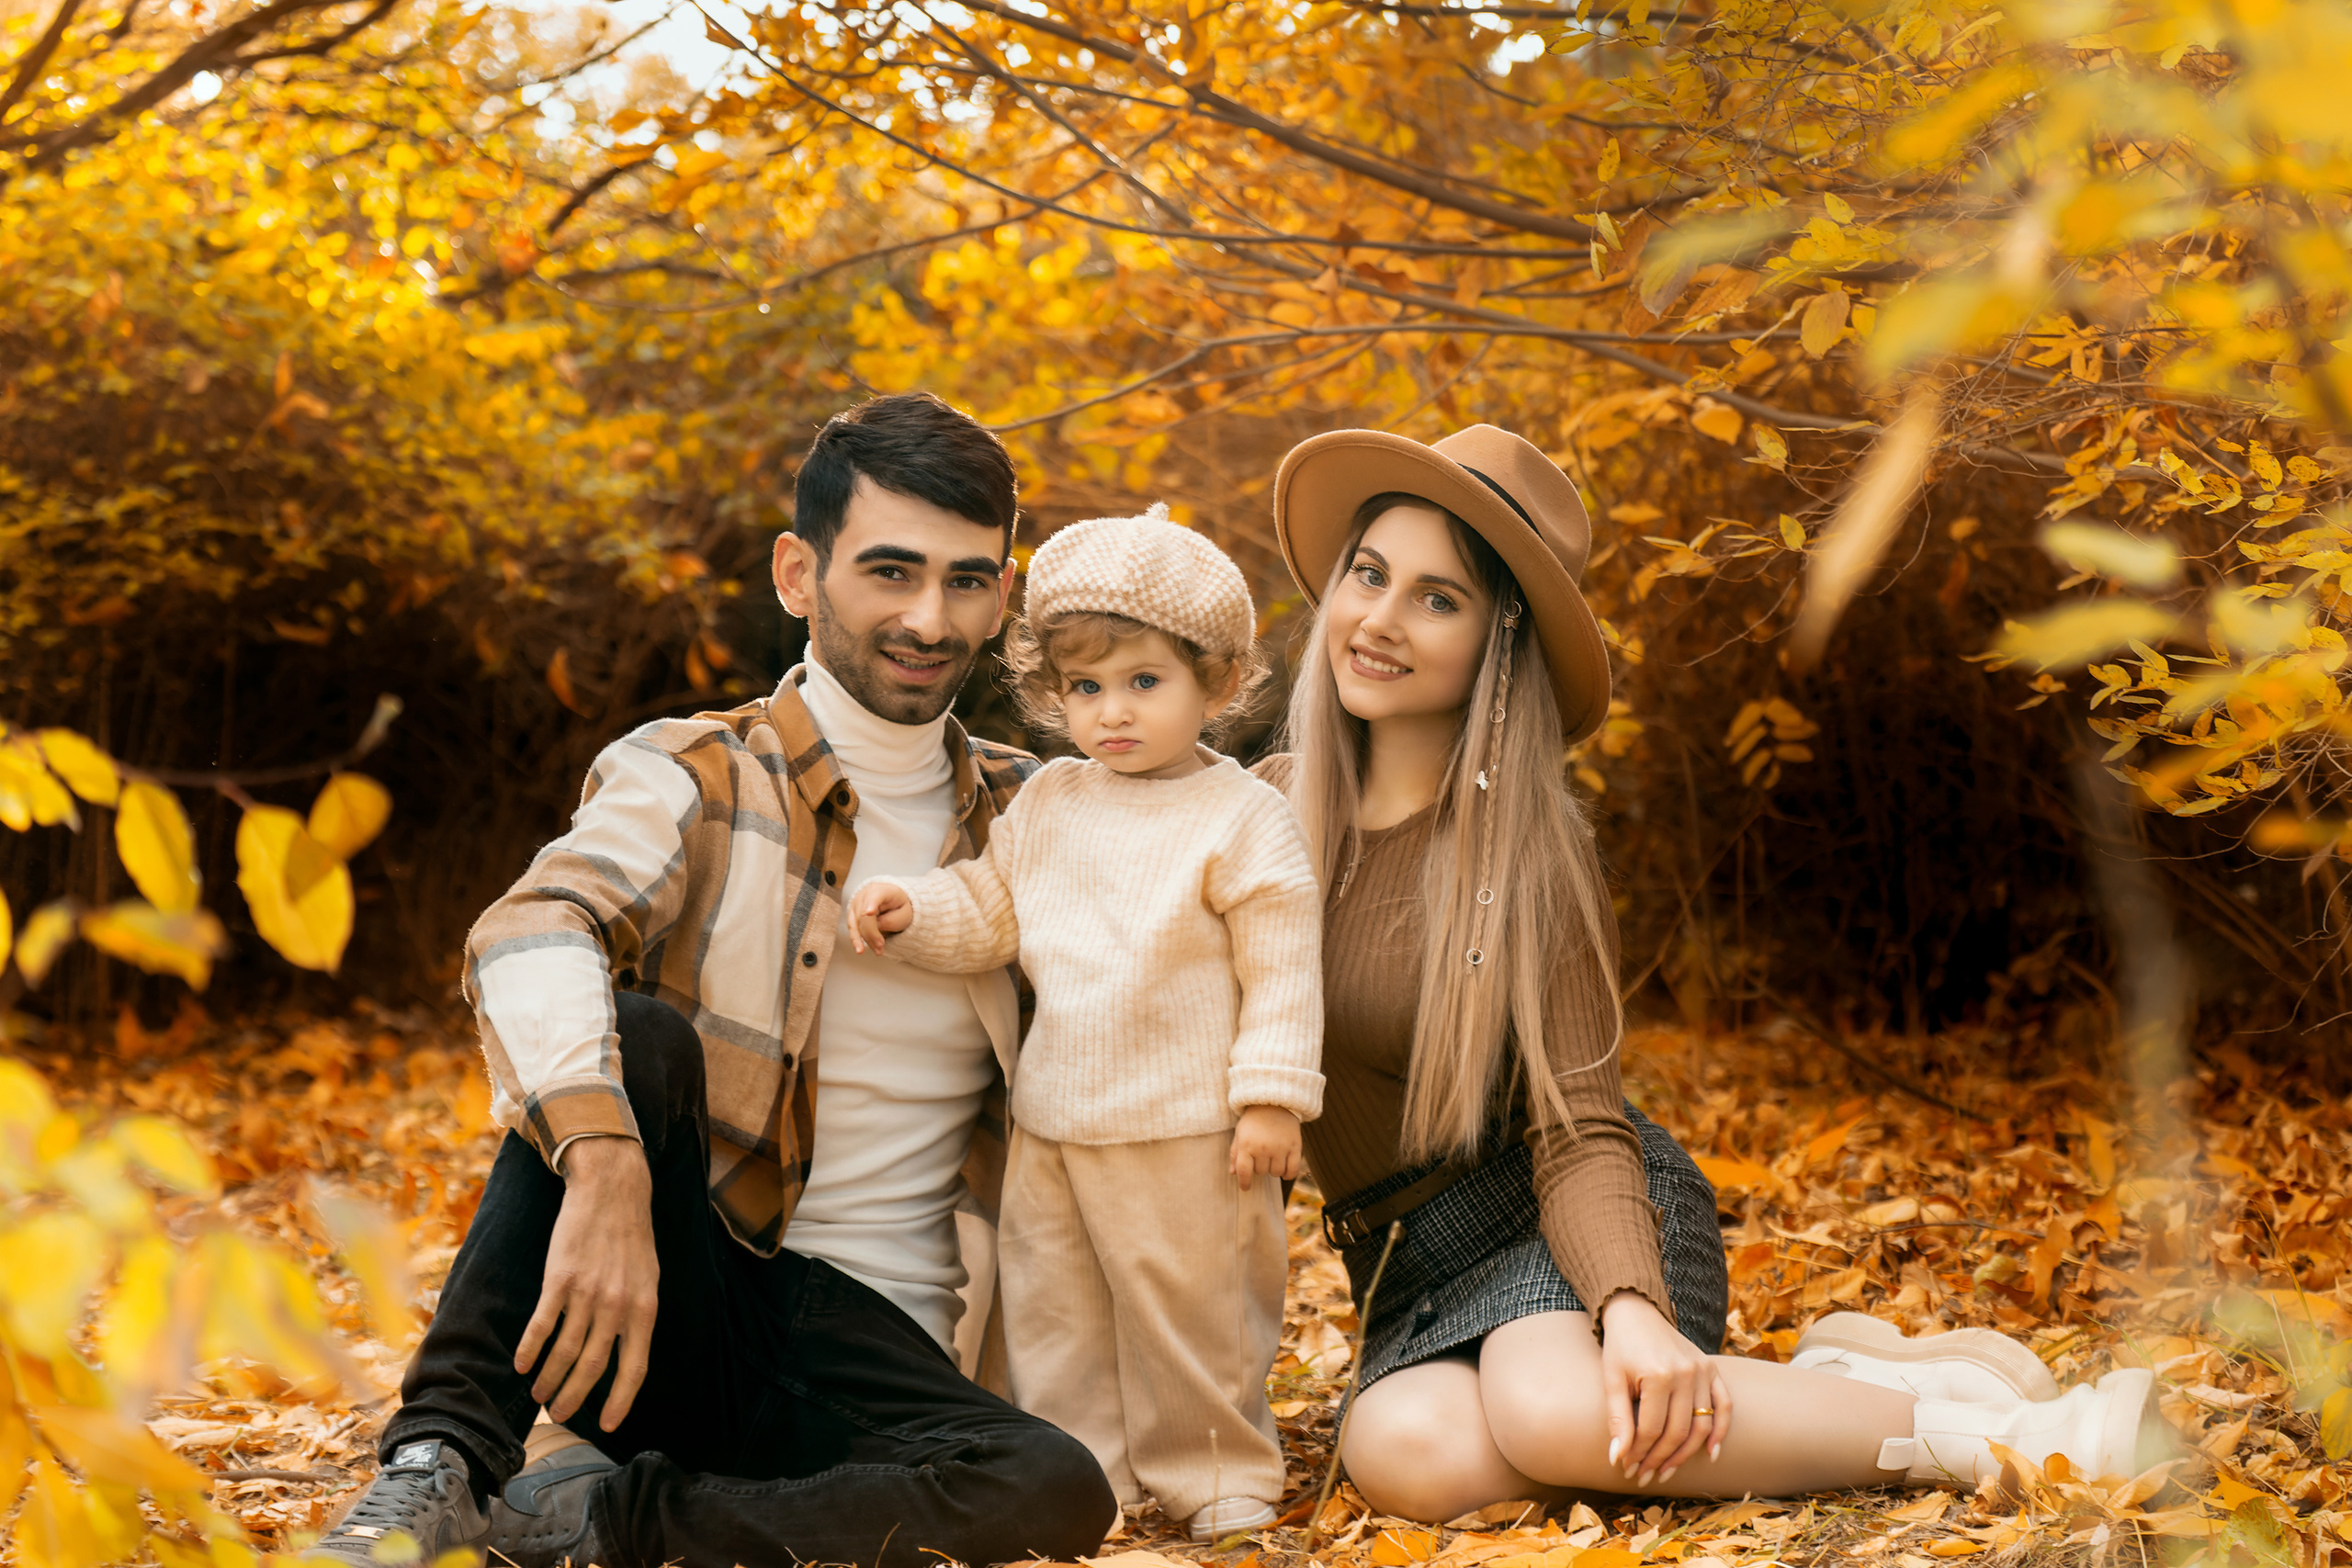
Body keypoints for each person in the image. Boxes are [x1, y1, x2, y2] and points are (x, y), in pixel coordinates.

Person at [1255, 423, 2163, 1520]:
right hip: (1405, 1263)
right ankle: (1826, 1392)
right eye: (1370, 574)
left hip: (1569, 1216)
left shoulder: (1528, 858)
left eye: (1436, 599)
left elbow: (1578, 1126)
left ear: (1497, 647)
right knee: (1407, 1456)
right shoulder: (1256, 818)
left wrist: (1628, 1307)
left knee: (1548, 1411)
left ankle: (2006, 1436)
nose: (1380, 621)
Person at [303, 392, 1116, 1568]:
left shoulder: (1045, 811)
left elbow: (1208, 862)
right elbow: (530, 927)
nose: (929, 617)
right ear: (799, 573)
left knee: (1050, 1489)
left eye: (967, 581)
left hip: (883, 1360)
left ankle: (609, 1517)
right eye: (889, 572)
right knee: (634, 1038)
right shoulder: (694, 771)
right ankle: (441, 1463)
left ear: (1003, 593)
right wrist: (606, 1158)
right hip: (680, 1292)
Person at [849, 505, 1324, 1544]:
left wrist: (1273, 1098)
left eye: (1144, 683)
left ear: (1218, 682)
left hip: (1189, 1128)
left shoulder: (1240, 817)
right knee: (1056, 1310)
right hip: (1057, 1118)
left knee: (1190, 1312)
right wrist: (912, 907)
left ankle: (1215, 1470)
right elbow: (992, 908)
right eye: (1086, 688)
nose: (1112, 711)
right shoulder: (1055, 800)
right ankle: (1082, 1473)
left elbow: (1283, 965)